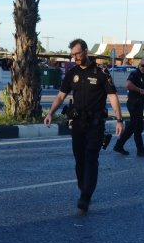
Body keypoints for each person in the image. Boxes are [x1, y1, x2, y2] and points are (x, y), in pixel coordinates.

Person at [44, 39, 124, 215]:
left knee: (90, 159)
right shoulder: (72, 73)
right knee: (79, 160)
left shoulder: (101, 72)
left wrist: (119, 120)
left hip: (95, 125)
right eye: (72, 55)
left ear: (86, 51)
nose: (75, 57)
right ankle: (84, 188)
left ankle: (86, 197)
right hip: (77, 124)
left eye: (78, 53)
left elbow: (112, 97)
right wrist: (50, 113)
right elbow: (60, 96)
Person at [113, 59, 144, 158]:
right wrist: (139, 90)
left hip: (139, 104)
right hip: (133, 104)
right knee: (138, 128)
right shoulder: (134, 74)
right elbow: (128, 85)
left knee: (131, 127)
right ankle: (140, 150)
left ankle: (118, 145)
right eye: (143, 66)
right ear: (139, 65)